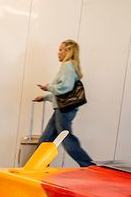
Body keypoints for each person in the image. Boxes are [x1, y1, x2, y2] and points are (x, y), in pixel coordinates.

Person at [34, 39, 94, 168]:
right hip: (61, 109)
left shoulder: (68, 66)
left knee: (67, 139)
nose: (58, 53)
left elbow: (65, 88)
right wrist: (44, 98)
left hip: (64, 110)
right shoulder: (69, 66)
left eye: (61, 50)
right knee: (45, 140)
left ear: (68, 51)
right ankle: (37, 167)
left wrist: (48, 87)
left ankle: (89, 166)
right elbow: (63, 95)